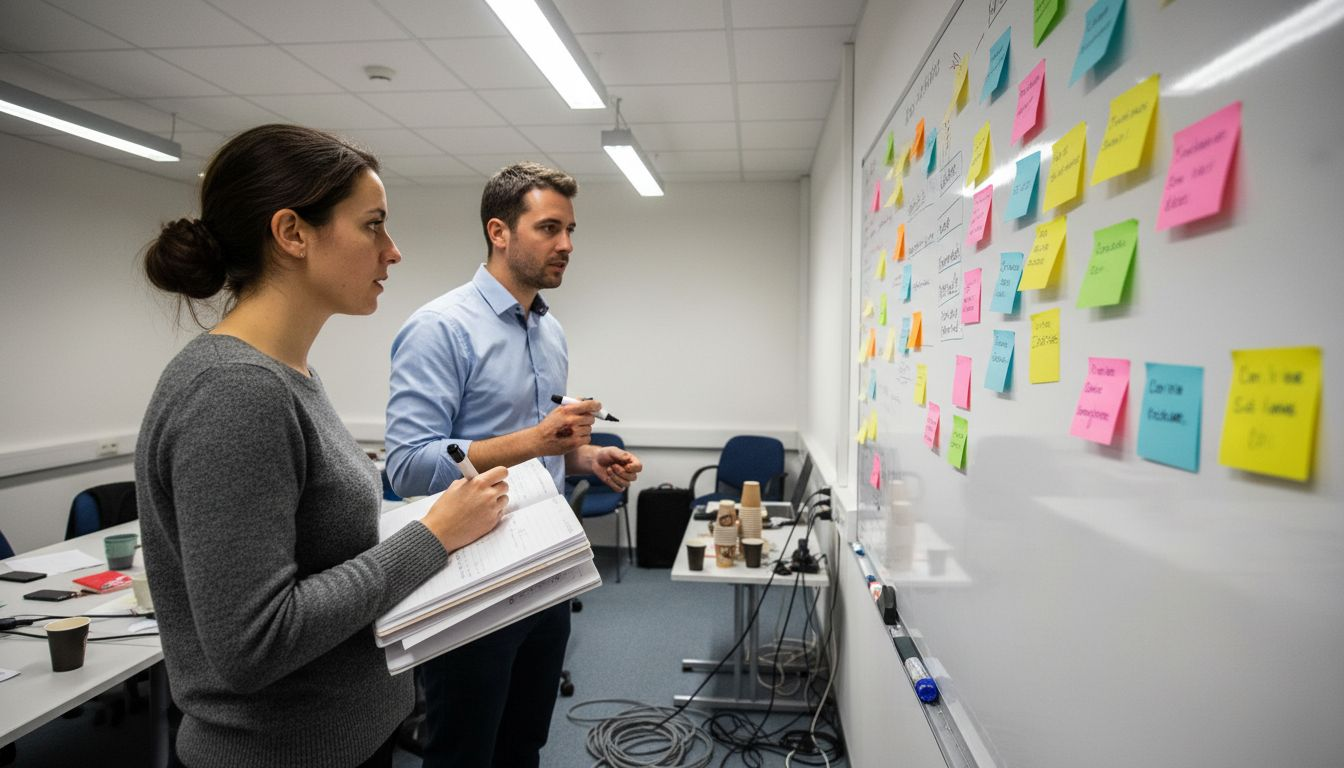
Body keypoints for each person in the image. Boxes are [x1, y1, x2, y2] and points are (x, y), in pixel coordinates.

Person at [135, 124, 510, 768]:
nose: (392, 252)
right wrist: (434, 537)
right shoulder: (234, 390)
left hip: (341, 740)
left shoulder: (288, 374)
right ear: (292, 234)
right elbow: (253, 643)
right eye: (373, 226)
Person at [385, 161, 643, 767]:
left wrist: (585, 456)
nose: (567, 246)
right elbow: (406, 466)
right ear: (499, 232)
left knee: (524, 742)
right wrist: (536, 439)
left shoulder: (549, 332)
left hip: (544, 570)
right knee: (464, 750)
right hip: (470, 576)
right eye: (549, 228)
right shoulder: (439, 328)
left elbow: (541, 453)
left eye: (571, 230)